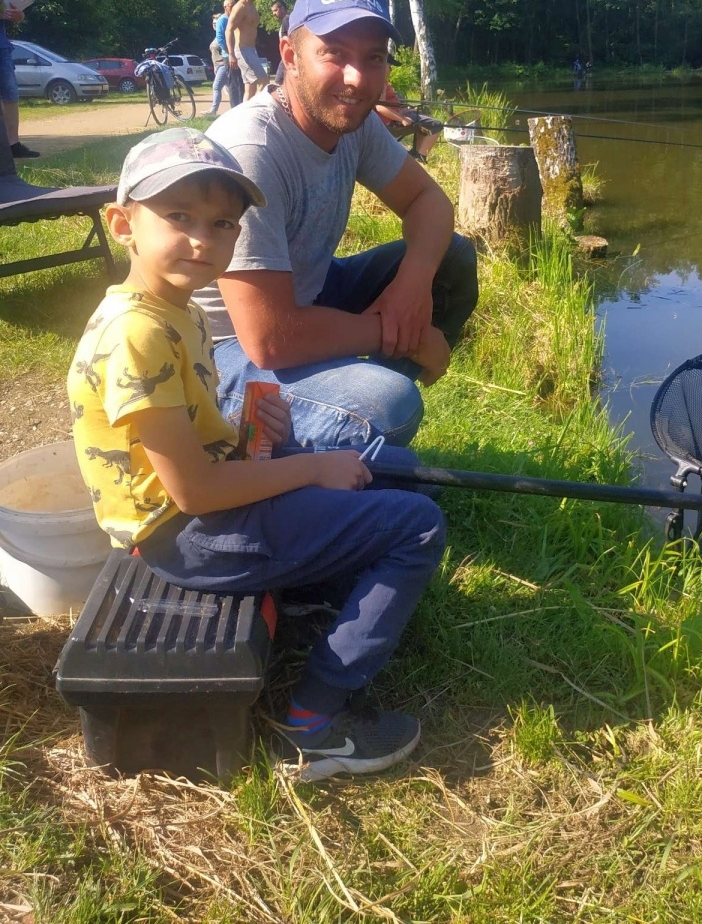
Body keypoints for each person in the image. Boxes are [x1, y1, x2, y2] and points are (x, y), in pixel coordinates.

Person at [67, 127, 446, 782]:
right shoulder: (136, 334)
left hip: (202, 514)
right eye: (178, 217)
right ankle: (314, 722)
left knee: (403, 479)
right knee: (418, 527)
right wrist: (310, 467)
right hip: (187, 537)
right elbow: (194, 493)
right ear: (122, 223)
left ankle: (306, 593)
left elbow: (204, 444)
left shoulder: (173, 309)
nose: (201, 239)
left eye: (221, 224)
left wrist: (253, 431)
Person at [193, 0, 478, 452]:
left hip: (309, 294)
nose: (357, 78)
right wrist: (406, 336)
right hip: (226, 354)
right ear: (290, 57)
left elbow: (429, 204)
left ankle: (351, 414)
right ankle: (337, 424)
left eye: (373, 58)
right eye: (335, 54)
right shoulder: (252, 147)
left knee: (452, 259)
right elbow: (267, 339)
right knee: (389, 404)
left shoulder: (354, 124)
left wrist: (411, 288)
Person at [0, 0, 38, 160]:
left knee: (10, 95)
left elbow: (12, 11)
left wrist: (18, 16)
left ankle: (13, 145)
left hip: (2, 48)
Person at [375, 72, 443, 164]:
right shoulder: (380, 82)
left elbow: (390, 104)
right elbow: (380, 106)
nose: (391, 69)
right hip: (392, 123)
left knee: (424, 123)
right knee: (436, 125)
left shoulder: (382, 81)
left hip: (398, 116)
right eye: (389, 65)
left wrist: (406, 109)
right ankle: (419, 157)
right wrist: (402, 119)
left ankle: (416, 156)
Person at [226, 0, 268, 101]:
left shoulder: (252, 6)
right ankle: (256, 110)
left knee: (250, 87)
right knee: (264, 81)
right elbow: (229, 29)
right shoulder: (240, 7)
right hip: (242, 50)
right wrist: (231, 54)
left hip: (251, 49)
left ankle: (244, 115)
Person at [270, 0, 289, 86]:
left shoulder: (287, 20)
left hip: (288, 56)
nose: (274, 13)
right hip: (286, 56)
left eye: (275, 10)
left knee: (278, 82)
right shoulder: (286, 20)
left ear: (282, 8)